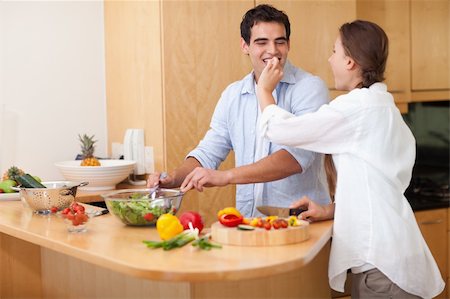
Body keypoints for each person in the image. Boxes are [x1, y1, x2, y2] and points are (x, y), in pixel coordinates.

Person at [256, 20, 444, 298]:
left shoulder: (356, 108)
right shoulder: (383, 107)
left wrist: (264, 91)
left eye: (335, 52)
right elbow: (375, 186)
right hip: (394, 255)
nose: (330, 59)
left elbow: (282, 130)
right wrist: (331, 209)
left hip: (381, 265)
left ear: (350, 62)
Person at [147, 4, 331, 217]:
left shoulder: (310, 88)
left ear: (288, 44)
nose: (272, 50)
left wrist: (226, 176)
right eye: (262, 42)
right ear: (245, 46)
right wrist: (174, 178)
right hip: (250, 223)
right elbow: (209, 151)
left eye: (279, 41)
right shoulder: (233, 95)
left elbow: (295, 158)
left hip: (301, 221)